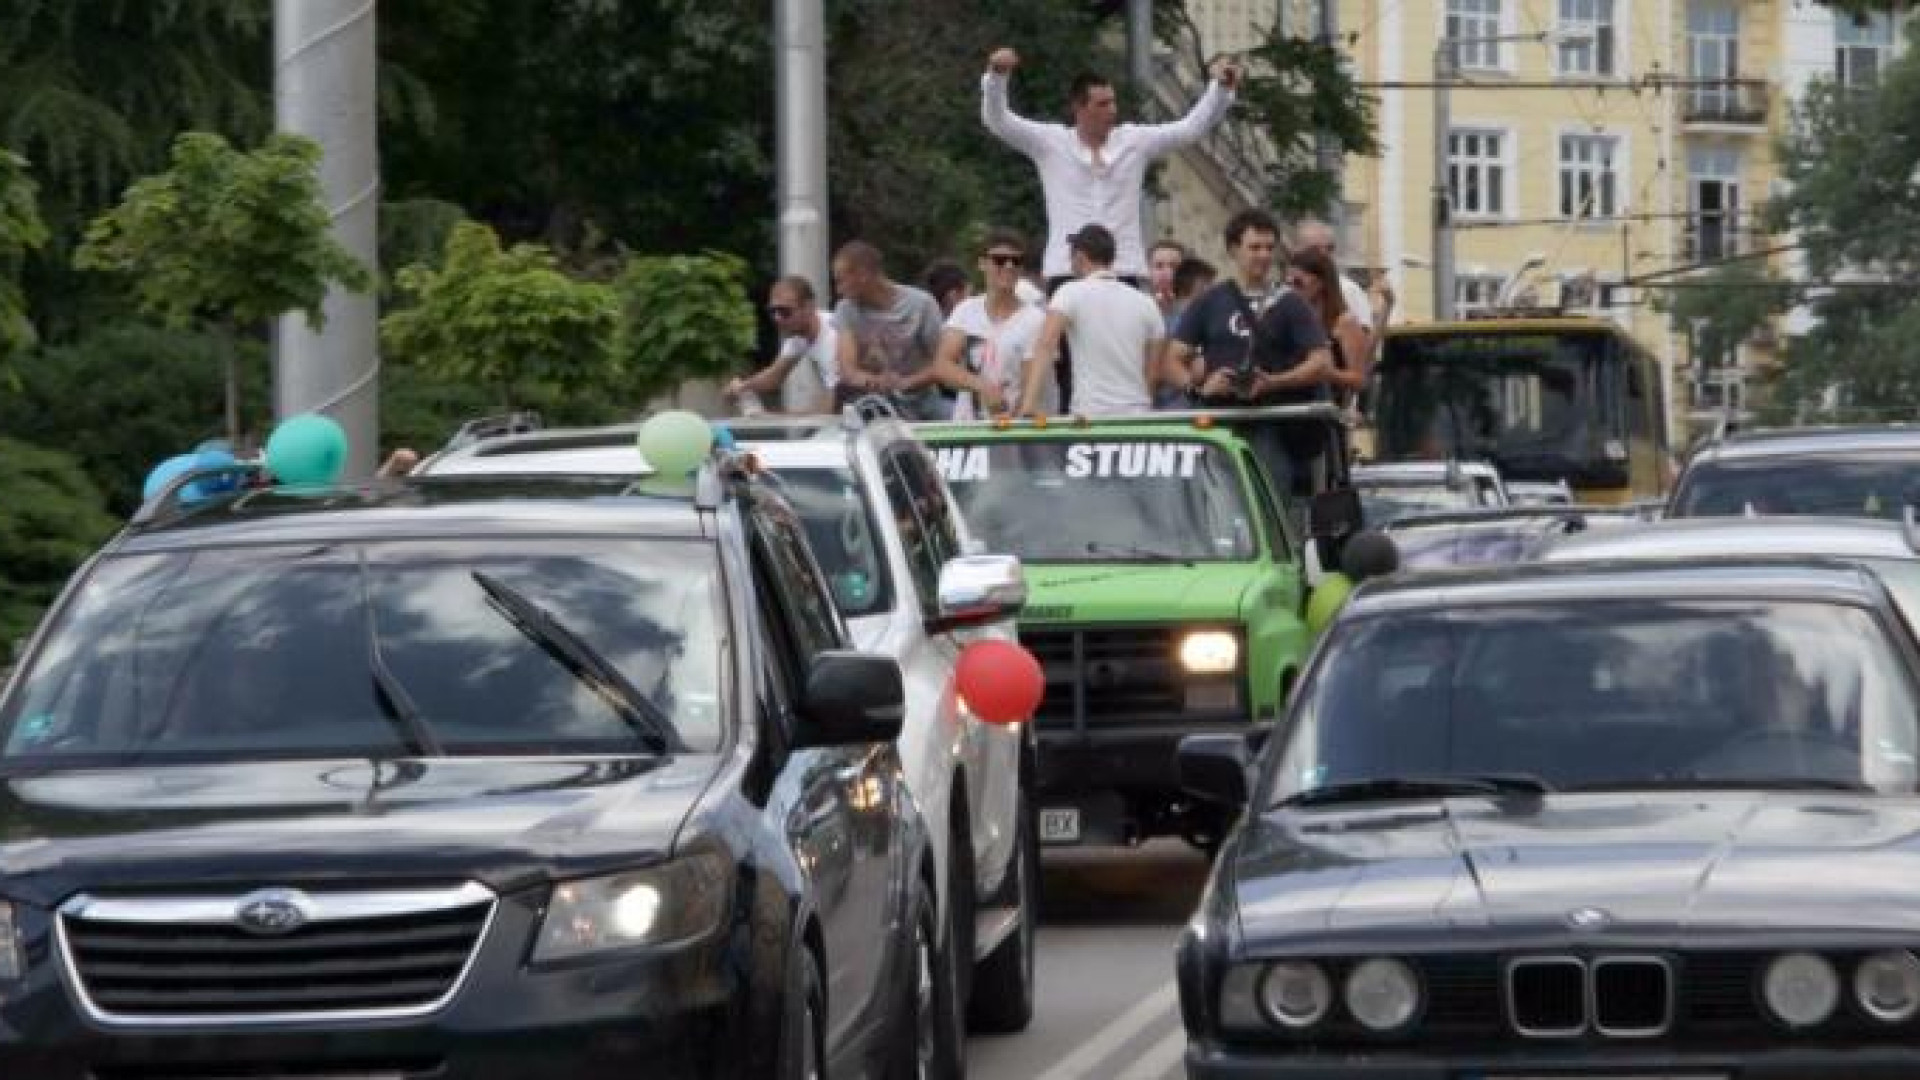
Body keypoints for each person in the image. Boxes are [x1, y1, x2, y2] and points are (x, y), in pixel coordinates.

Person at [981, 47, 1240, 286]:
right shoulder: (1051, 143)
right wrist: (997, 77)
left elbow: (1189, 129)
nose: (1113, 110)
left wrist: (1219, 90)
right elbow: (999, 122)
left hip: (1122, 269)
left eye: (1113, 102)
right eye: (1102, 104)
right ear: (1078, 108)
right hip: (1067, 271)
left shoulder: (1134, 141)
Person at [1018, 224, 1165, 417]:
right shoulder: (1147, 303)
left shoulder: (1069, 292)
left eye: (1071, 257)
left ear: (1079, 257)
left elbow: (1046, 345)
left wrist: (1028, 404)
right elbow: (1153, 372)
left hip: (1090, 415)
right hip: (1136, 414)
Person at [926, 228, 1050, 420]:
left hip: (1014, 428)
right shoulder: (965, 310)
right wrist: (983, 386)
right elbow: (941, 366)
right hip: (969, 428)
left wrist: (1013, 422)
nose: (1009, 266)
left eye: (1016, 261)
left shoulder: (1035, 319)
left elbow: (1030, 383)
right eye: (1000, 259)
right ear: (982, 263)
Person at [1163, 209, 1287, 399]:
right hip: (1221, 414)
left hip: (1276, 416)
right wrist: (1198, 391)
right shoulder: (1210, 300)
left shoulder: (1290, 300)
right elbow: (1171, 360)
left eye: (1270, 248)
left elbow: (1319, 361)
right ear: (1233, 249)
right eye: (1255, 247)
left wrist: (1276, 382)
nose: (1264, 255)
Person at [830, 241, 950, 421]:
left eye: (841, 280)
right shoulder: (846, 309)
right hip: (875, 404)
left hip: (923, 399)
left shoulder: (921, 304)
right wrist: (873, 381)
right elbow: (847, 369)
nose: (839, 290)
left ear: (862, 275)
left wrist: (907, 383)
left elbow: (944, 362)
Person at [725, 275, 838, 414]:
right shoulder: (798, 336)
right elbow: (774, 376)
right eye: (773, 311)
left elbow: (832, 406)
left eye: (785, 311)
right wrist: (742, 387)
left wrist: (775, 418)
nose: (777, 318)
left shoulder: (833, 338)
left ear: (809, 307)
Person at [1285, 248, 1370, 402]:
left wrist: (1328, 373)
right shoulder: (1291, 320)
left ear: (1320, 282)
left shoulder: (1345, 323)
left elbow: (1359, 380)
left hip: (1327, 408)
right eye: (1287, 283)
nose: (1291, 290)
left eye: (1298, 282)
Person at [1148, 239, 1188, 323]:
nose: (1167, 273)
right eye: (1159, 266)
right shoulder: (1138, 306)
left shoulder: (1196, 309)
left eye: (1174, 267)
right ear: (1149, 271)